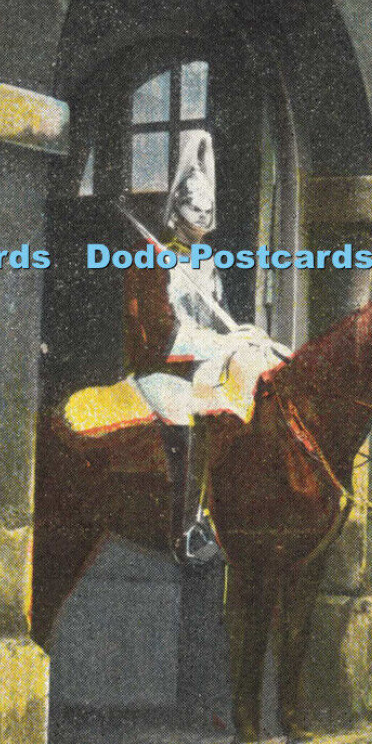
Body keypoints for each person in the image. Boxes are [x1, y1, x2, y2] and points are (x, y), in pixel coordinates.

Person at [123, 132, 284, 564]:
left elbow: (219, 319)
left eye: (209, 209)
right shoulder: (150, 255)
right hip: (163, 368)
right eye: (197, 207)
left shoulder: (207, 261)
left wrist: (243, 335)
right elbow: (162, 335)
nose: (204, 215)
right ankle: (186, 527)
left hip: (204, 361)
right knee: (192, 416)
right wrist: (221, 343)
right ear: (177, 208)